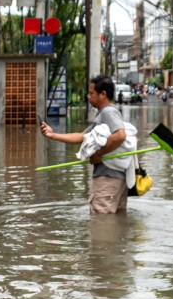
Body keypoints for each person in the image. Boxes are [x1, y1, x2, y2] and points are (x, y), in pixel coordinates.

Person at [40, 76, 130, 215]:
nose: (88, 97)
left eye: (91, 93)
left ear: (103, 94)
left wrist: (98, 154)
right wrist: (53, 135)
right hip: (117, 179)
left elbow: (120, 135)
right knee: (114, 223)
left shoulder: (108, 112)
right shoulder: (103, 115)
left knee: (101, 225)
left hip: (107, 178)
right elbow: (82, 136)